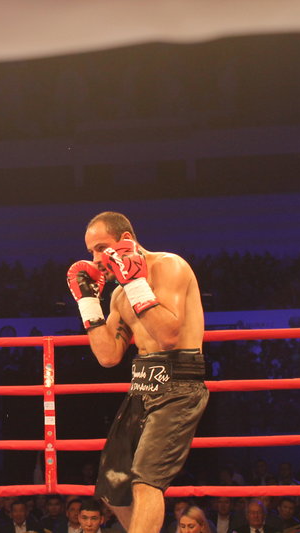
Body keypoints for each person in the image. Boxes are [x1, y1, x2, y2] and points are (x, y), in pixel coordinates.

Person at [66, 211, 209, 533]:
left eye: (101, 247)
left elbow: (168, 335)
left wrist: (135, 283)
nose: (95, 259)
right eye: (90, 251)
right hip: (142, 386)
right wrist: (88, 302)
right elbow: (107, 356)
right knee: (113, 486)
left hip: (179, 382)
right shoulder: (119, 294)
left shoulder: (169, 266)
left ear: (126, 240)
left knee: (146, 482)